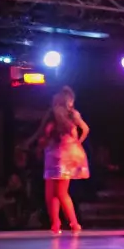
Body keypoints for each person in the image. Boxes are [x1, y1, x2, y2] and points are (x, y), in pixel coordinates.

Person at [29, 87, 89, 234]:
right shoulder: (66, 114)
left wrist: (76, 143)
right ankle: (56, 223)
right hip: (56, 154)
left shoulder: (63, 114)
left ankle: (73, 223)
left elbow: (41, 132)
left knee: (59, 192)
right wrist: (77, 142)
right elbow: (85, 129)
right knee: (51, 192)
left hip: (61, 156)